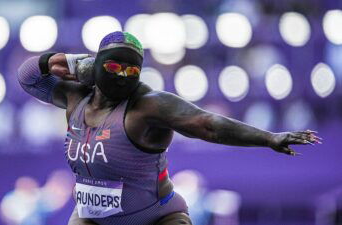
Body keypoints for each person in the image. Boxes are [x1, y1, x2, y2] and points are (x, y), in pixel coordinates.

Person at [17, 31, 321, 225]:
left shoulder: (149, 106)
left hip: (158, 218)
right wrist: (64, 61)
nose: (123, 76)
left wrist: (268, 138)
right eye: (113, 67)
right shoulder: (75, 98)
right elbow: (28, 75)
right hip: (92, 219)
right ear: (94, 66)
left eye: (132, 70)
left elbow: (208, 125)